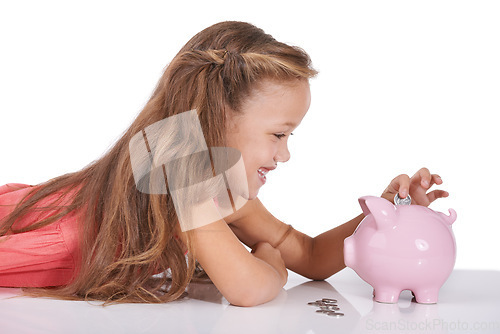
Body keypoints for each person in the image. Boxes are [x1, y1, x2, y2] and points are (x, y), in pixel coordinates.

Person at [0, 21, 449, 306]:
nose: (285, 153)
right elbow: (249, 289)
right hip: (39, 237)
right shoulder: (178, 170)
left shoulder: (221, 190)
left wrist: (386, 212)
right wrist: (272, 262)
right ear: (216, 118)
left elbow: (312, 257)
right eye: (278, 135)